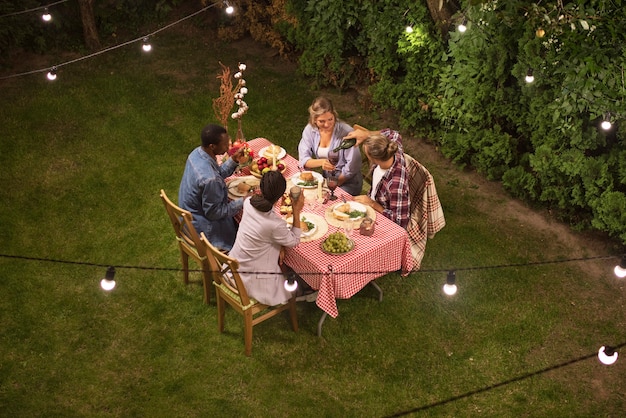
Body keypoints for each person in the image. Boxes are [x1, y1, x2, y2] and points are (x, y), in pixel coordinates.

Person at [229, 171, 314, 305]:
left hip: (234, 268)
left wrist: (279, 244)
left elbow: (264, 230)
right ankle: (303, 289)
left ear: (261, 188)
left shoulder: (248, 203)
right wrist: (296, 211)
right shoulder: (275, 225)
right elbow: (294, 241)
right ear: (281, 196)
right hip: (253, 282)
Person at [178, 123, 249, 252]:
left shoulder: (197, 154)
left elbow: (217, 174)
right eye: (225, 144)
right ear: (212, 146)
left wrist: (233, 160)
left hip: (187, 219)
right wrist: (243, 201)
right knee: (249, 235)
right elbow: (214, 213)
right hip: (201, 229)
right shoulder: (210, 180)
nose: (228, 146)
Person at [345, 127, 411, 228]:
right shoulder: (392, 148)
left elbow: (400, 221)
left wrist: (373, 204)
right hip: (372, 200)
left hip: (383, 219)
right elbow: (393, 133)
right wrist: (367, 134)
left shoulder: (395, 186)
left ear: (374, 159)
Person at [298, 97, 363, 196]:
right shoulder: (310, 130)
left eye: (330, 119)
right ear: (314, 120)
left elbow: (353, 166)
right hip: (327, 179)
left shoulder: (346, 132)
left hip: (348, 182)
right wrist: (321, 162)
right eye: (322, 121)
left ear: (334, 115)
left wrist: (335, 184)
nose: (327, 124)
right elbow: (304, 159)